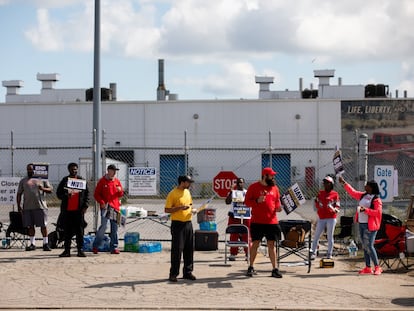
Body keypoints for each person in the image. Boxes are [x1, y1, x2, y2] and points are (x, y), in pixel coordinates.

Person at [338, 176, 383, 275]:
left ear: (371, 187)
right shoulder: (363, 195)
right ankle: (368, 267)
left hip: (370, 226)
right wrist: (344, 183)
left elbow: (377, 213)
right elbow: (353, 192)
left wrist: (365, 210)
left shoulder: (376, 199)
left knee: (370, 246)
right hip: (362, 224)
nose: (365, 186)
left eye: (367, 185)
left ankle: (377, 267)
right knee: (365, 246)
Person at [244, 167, 283, 278]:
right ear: (265, 176)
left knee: (271, 244)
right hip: (257, 221)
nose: (273, 177)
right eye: (271, 175)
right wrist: (257, 201)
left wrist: (278, 208)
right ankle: (251, 267)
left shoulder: (275, 188)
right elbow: (247, 202)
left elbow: (277, 202)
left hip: (272, 221)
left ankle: (275, 269)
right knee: (255, 244)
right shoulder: (253, 187)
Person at [165, 175, 197, 282]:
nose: (190, 184)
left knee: (189, 249)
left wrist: (193, 210)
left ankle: (188, 272)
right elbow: (167, 210)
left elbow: (190, 204)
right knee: (177, 250)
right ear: (182, 182)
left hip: (188, 223)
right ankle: (173, 273)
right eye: (188, 182)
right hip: (178, 224)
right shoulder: (173, 193)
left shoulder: (187, 192)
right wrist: (179, 208)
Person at [16, 163, 53, 251]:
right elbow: (19, 194)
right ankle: (32, 244)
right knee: (30, 226)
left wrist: (43, 189)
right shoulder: (23, 181)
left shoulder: (42, 179)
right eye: (28, 169)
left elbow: (50, 190)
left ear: (35, 170)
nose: (30, 171)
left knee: (43, 226)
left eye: (31, 169)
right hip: (28, 207)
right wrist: (19, 205)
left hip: (40, 206)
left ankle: (45, 243)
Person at [56, 162, 90, 257]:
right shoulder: (65, 180)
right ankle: (67, 250)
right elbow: (58, 194)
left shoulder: (81, 180)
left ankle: (80, 250)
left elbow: (87, 194)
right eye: (72, 169)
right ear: (69, 170)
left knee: (80, 231)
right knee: (67, 231)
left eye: (75, 169)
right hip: (67, 211)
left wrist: (85, 206)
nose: (74, 171)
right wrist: (66, 195)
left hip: (78, 211)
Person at [92, 164, 124, 255]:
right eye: (113, 170)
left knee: (115, 228)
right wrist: (102, 202)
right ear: (108, 171)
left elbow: (120, 194)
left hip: (115, 207)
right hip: (106, 207)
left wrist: (120, 191)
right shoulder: (102, 181)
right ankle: (95, 246)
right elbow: (96, 194)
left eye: (115, 171)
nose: (114, 172)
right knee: (103, 227)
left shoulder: (117, 181)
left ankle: (114, 247)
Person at [310, 175, 340, 260]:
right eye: (324, 183)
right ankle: (313, 252)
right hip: (322, 217)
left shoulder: (335, 194)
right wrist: (318, 205)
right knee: (316, 235)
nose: (325, 184)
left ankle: (329, 253)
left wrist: (333, 209)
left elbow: (337, 206)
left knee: (330, 236)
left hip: (331, 217)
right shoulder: (320, 193)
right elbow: (316, 203)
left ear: (331, 184)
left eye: (327, 183)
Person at [225, 177, 251, 261]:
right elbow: (227, 202)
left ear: (244, 183)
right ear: (236, 183)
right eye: (238, 182)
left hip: (245, 214)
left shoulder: (247, 192)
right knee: (234, 234)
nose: (240, 184)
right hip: (234, 215)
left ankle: (248, 253)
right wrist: (231, 191)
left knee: (246, 234)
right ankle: (233, 253)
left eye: (241, 182)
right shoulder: (233, 192)